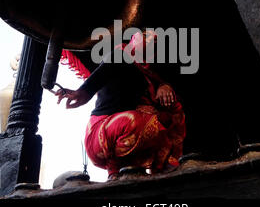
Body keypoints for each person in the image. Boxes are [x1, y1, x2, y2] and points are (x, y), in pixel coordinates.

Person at [56, 30, 186, 180]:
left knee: (173, 113)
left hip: (136, 136)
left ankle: (161, 169)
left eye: (155, 42)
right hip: (103, 133)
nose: (151, 41)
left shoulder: (149, 74)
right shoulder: (119, 55)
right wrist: (82, 92)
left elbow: (166, 99)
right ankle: (114, 169)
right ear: (133, 38)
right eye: (145, 36)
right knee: (143, 121)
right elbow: (101, 74)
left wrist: (164, 85)